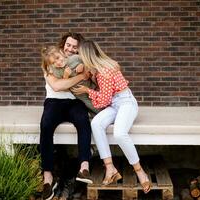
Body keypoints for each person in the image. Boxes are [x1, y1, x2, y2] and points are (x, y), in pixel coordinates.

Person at [72, 40, 151, 194]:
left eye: (80, 55)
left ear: (87, 56)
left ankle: (140, 171)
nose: (79, 57)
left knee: (120, 134)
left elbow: (103, 101)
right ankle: (110, 168)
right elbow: (108, 100)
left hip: (126, 102)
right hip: (114, 104)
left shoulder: (104, 72)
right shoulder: (98, 69)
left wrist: (87, 91)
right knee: (96, 124)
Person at [39, 33, 93, 200]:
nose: (70, 49)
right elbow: (57, 86)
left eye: (74, 47)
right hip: (54, 102)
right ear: (63, 46)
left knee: (83, 121)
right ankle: (48, 177)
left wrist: (85, 73)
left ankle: (84, 167)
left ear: (78, 49)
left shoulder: (79, 61)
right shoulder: (50, 61)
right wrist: (80, 77)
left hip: (74, 102)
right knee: (46, 125)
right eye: (68, 45)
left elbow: (90, 75)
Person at [44, 45, 100, 115]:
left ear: (61, 53)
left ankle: (108, 112)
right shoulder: (57, 71)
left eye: (58, 58)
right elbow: (63, 86)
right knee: (92, 107)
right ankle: (99, 115)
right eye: (53, 62)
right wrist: (66, 76)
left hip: (91, 85)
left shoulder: (74, 58)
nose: (58, 62)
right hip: (79, 94)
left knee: (100, 99)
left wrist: (82, 65)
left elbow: (88, 61)